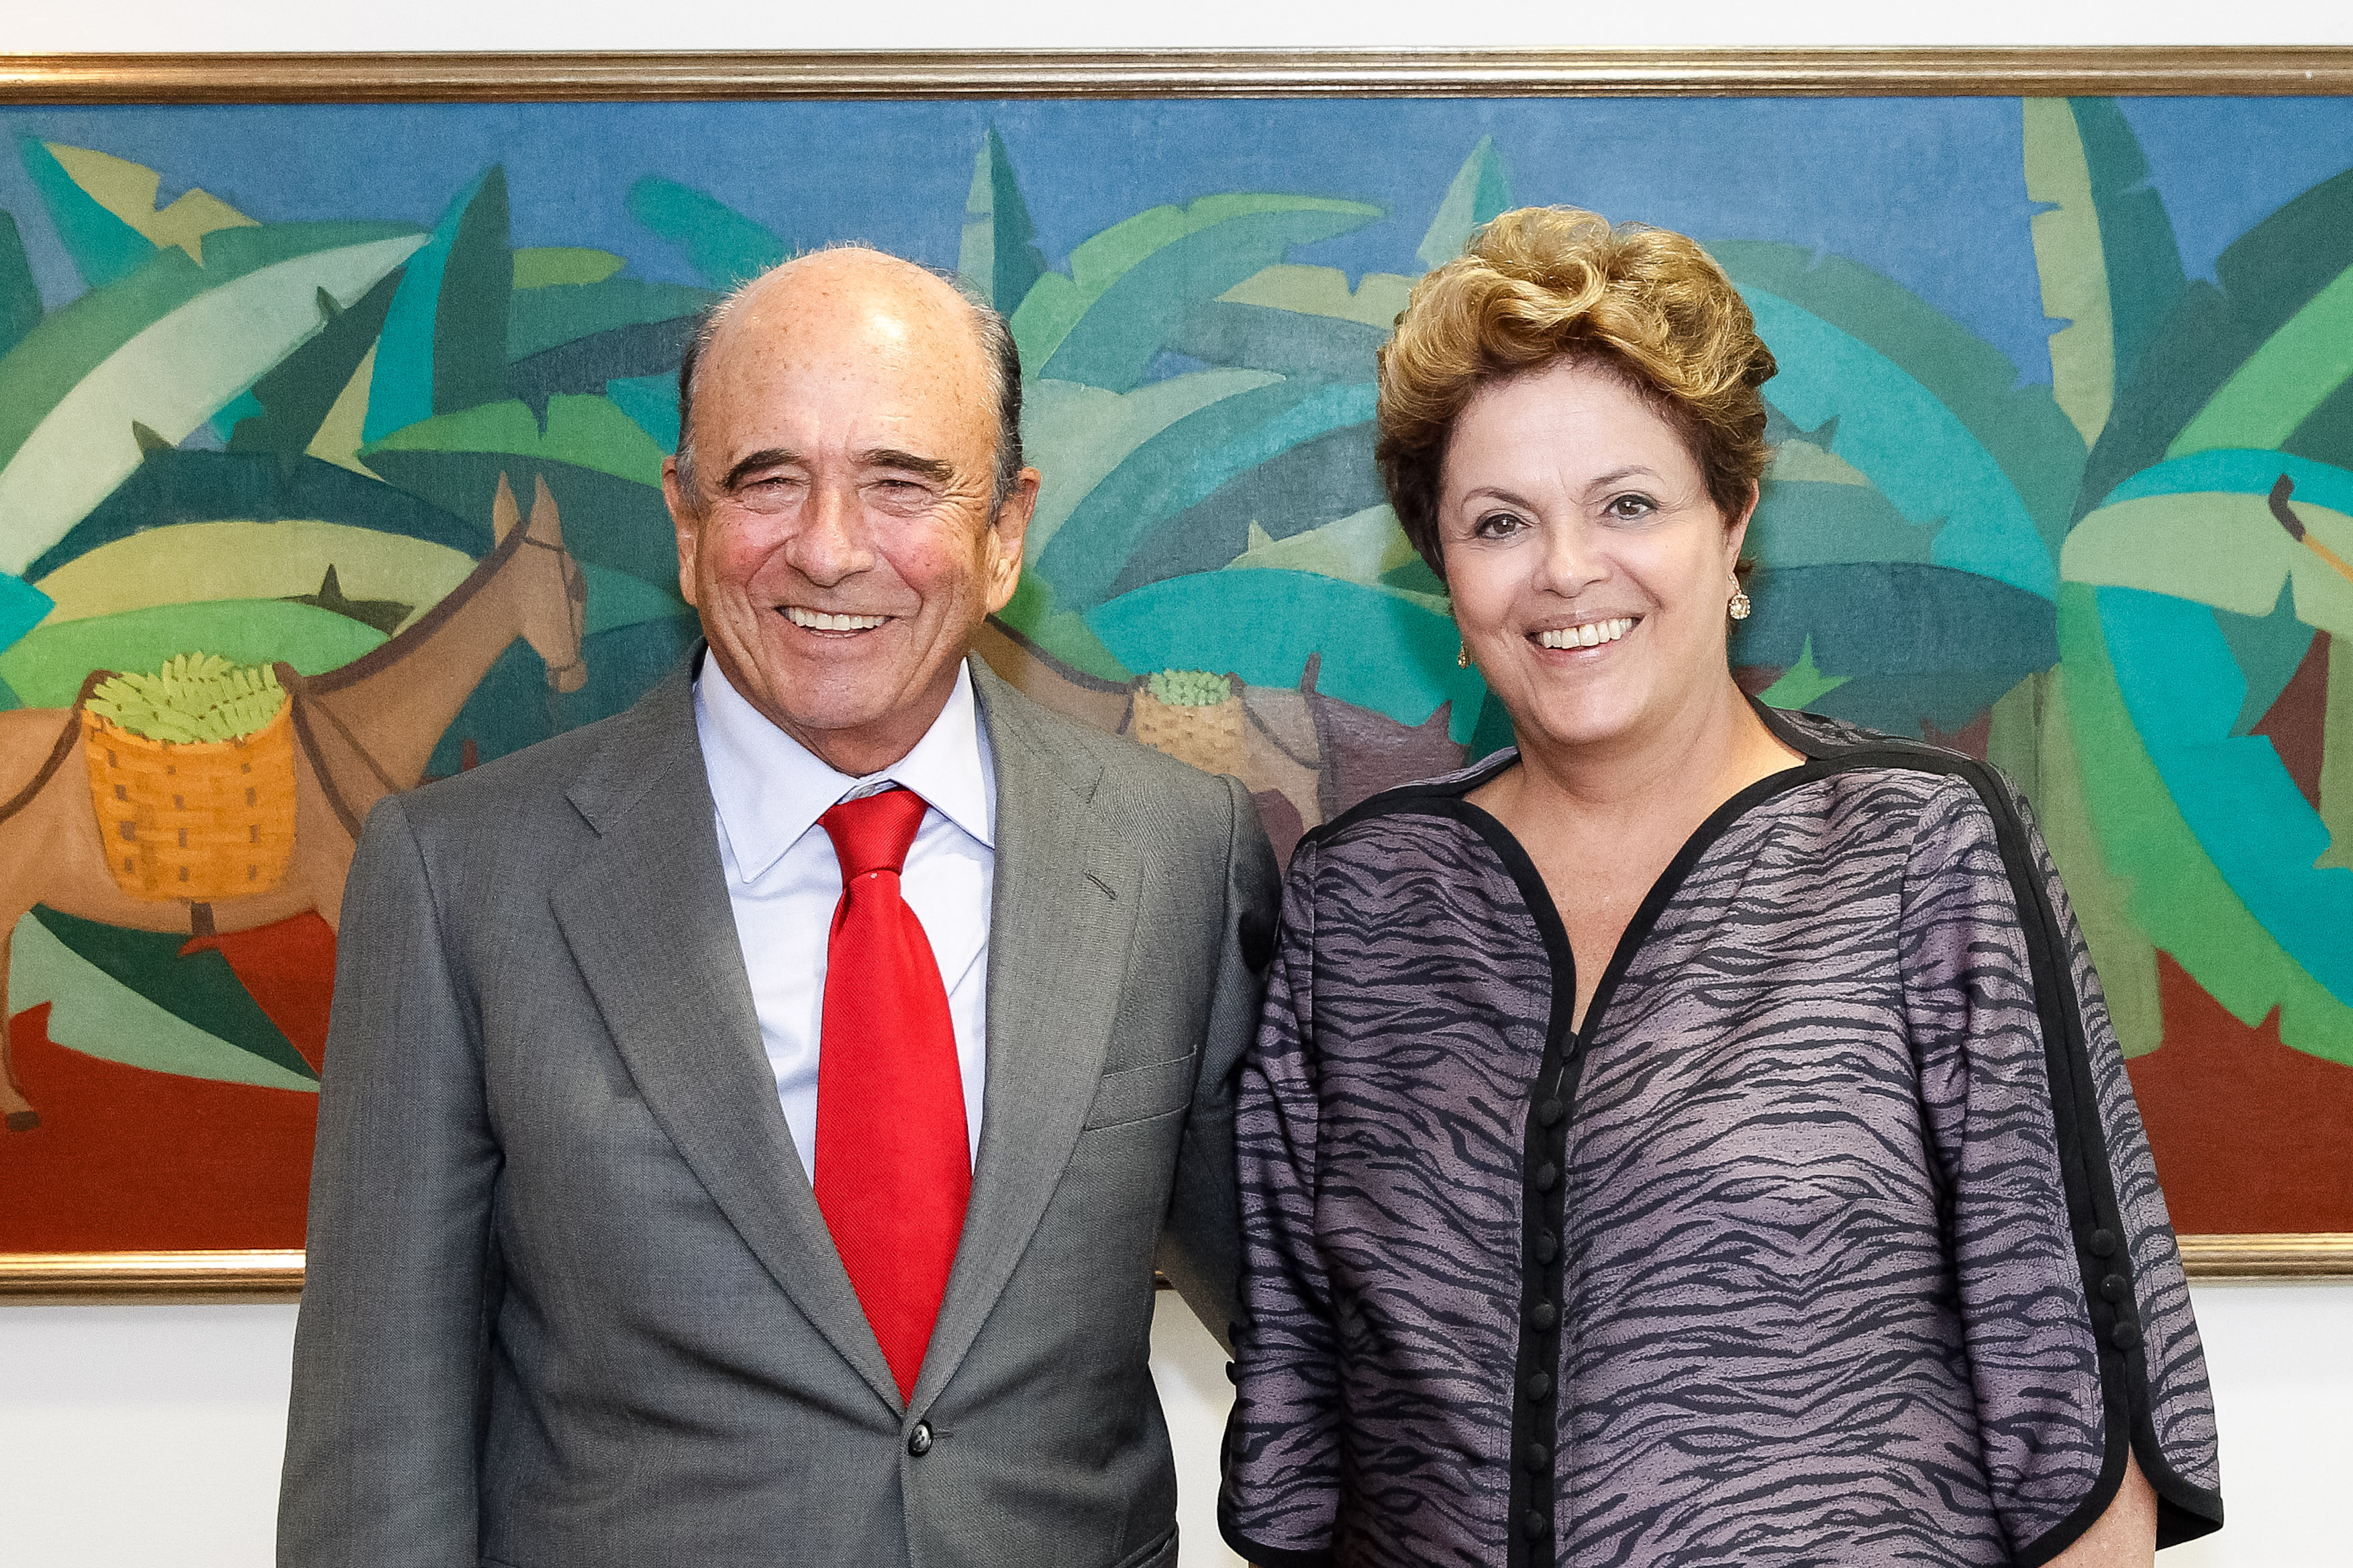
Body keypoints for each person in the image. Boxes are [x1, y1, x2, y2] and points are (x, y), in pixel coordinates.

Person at [1219, 208, 2223, 1567]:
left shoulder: (1922, 849)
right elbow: (1298, 1413)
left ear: (1731, 521)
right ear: (1444, 569)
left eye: (1627, 504)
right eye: (1500, 521)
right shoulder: (1360, 901)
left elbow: (2077, 1416)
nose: (1566, 570)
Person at [280, 246, 1279, 1568]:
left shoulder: (1178, 852)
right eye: (766, 479)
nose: (828, 547)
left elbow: (1319, 1324)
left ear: (1004, 531)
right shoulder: (459, 875)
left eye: (901, 483)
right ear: (685, 522)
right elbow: (376, 1463)